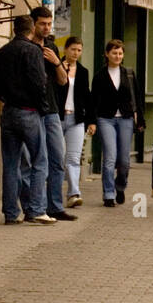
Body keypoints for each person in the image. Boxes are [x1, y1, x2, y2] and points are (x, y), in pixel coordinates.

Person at [0, 15, 55, 225]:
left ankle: (10, 213)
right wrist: (43, 108)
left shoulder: (1, 52)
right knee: (39, 161)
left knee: (10, 164)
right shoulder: (33, 51)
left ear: (13, 28)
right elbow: (39, 83)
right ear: (31, 30)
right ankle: (36, 210)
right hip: (29, 111)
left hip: (8, 111)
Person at [26, 6, 76, 221]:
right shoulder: (25, 47)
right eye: (42, 24)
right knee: (34, 162)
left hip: (52, 110)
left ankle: (55, 207)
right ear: (33, 24)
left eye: (49, 24)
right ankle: (34, 208)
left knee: (57, 159)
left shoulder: (52, 47)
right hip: (31, 111)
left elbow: (63, 81)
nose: (47, 28)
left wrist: (56, 62)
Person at [91, 38, 141, 207]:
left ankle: (120, 186)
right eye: (114, 53)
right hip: (106, 119)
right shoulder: (99, 76)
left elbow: (137, 97)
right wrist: (92, 121)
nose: (117, 56)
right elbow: (94, 101)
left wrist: (139, 118)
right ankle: (108, 193)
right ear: (107, 54)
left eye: (120, 53)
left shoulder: (129, 73)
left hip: (126, 119)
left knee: (124, 160)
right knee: (110, 157)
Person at [56, 36, 95, 208]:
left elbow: (87, 97)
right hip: (57, 118)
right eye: (73, 49)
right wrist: (60, 70)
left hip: (76, 119)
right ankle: (54, 194)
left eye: (79, 50)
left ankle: (73, 193)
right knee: (58, 157)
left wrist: (91, 121)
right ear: (65, 49)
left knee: (73, 157)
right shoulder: (55, 67)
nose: (76, 53)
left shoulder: (83, 72)